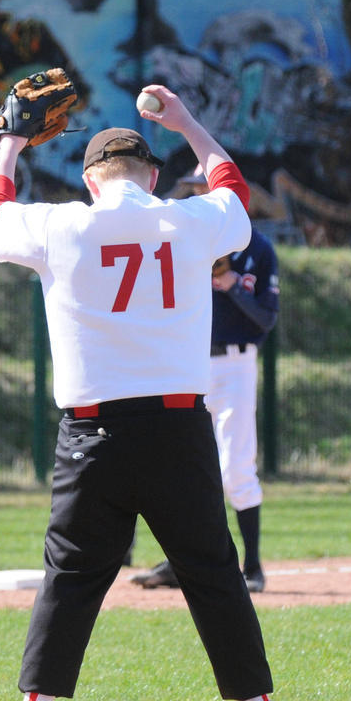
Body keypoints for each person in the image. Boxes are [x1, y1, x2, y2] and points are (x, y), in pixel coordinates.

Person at [0, 83, 290, 701]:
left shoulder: (62, 225)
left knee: (71, 574)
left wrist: (10, 144)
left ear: (91, 181)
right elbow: (233, 189)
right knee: (213, 569)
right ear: (151, 176)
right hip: (179, 430)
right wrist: (189, 123)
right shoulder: (189, 221)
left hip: (92, 433)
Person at [131, 169, 279, 593]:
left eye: (204, 189)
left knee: (235, 467)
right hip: (186, 365)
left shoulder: (257, 249)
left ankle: (253, 567)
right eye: (195, 189)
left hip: (234, 365)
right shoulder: (184, 246)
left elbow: (266, 318)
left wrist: (232, 287)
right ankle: (180, 563)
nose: (198, 196)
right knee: (180, 465)